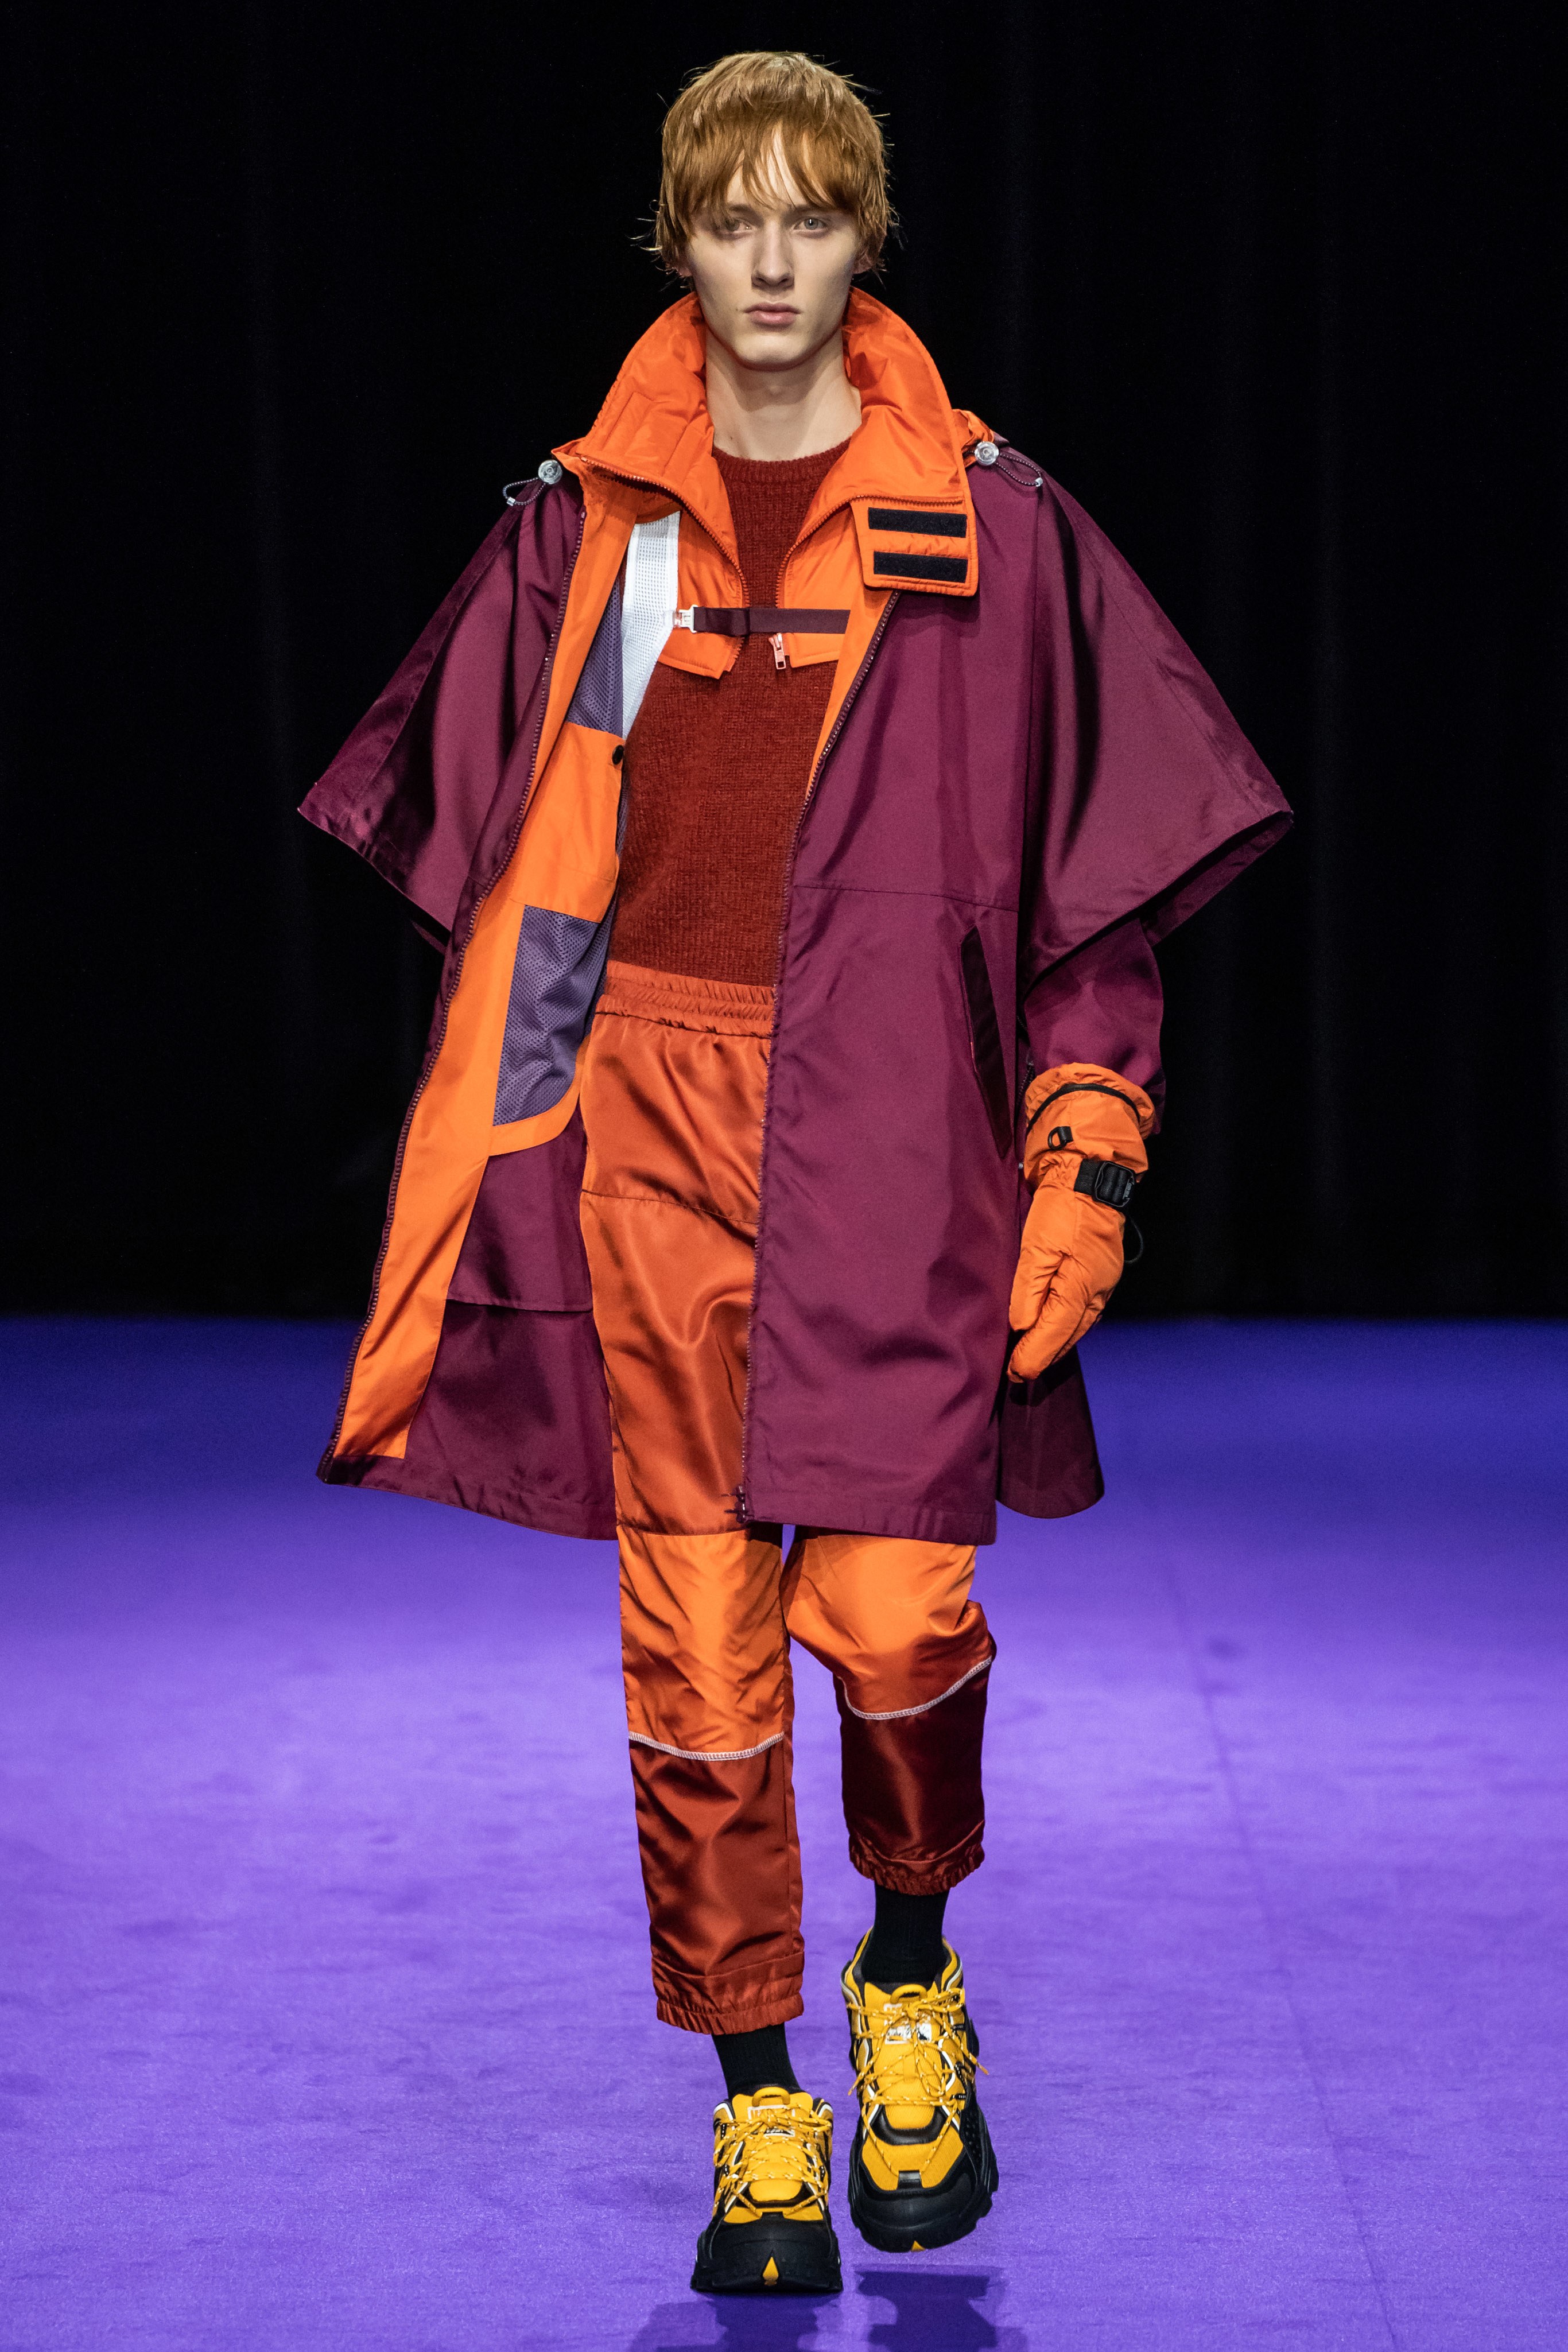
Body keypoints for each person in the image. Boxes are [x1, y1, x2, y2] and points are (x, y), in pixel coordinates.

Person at [301, 51, 1288, 2297]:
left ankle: (907, 1976)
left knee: (898, 1610)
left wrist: (1085, 1147)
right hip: (647, 1123)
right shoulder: (580, 529)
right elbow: (519, 888)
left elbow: (1084, 891)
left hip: (898, 1124)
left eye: (808, 218)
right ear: (674, 241)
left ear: (865, 241)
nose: (767, 261)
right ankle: (756, 2098)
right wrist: (526, 1146)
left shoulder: (994, 526)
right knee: (695, 1633)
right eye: (728, 219)